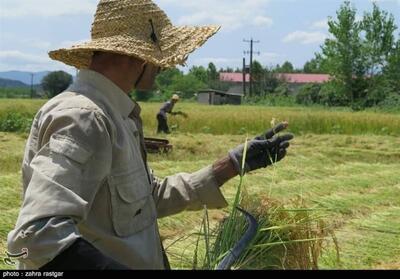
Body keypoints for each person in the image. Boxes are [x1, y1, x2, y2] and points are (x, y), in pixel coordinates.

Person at [7, 0, 294, 270]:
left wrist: (230, 164)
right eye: (160, 58)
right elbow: (39, 237)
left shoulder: (114, 114)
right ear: (137, 57)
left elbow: (145, 200)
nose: (164, 66)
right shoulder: (84, 118)